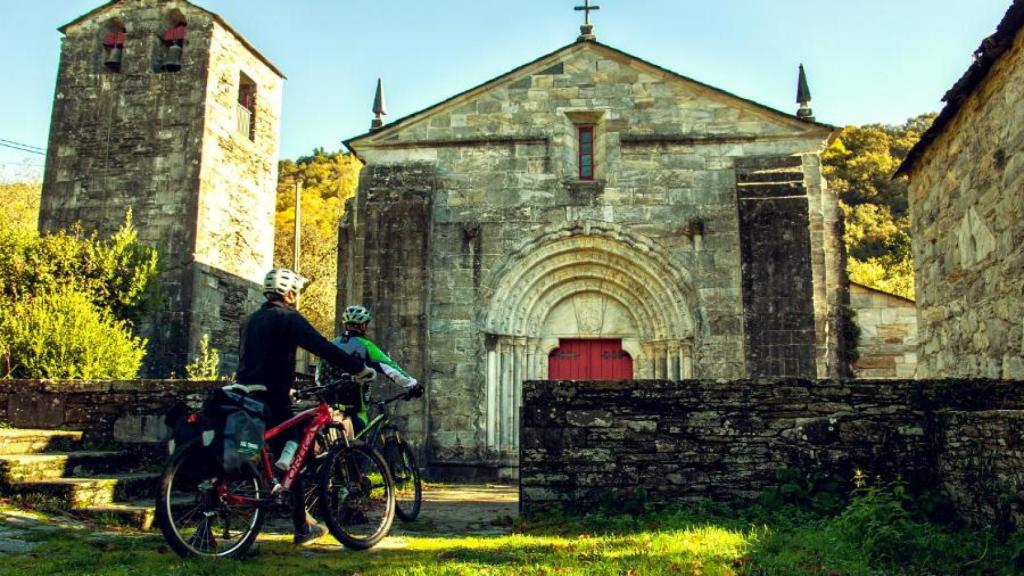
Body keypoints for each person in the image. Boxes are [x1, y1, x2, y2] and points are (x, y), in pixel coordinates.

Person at [235, 268, 375, 546]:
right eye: (295, 294)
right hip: (273, 397)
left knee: (252, 454)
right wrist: (358, 368)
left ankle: (282, 518)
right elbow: (321, 347)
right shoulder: (287, 318)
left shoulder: (249, 320)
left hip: (243, 395)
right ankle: (301, 525)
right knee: (294, 452)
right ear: (289, 293)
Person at [318, 304, 423, 437]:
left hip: (330, 409)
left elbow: (319, 375)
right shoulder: (366, 346)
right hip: (356, 410)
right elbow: (390, 368)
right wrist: (413, 384)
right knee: (359, 449)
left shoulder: (332, 344)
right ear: (363, 326)